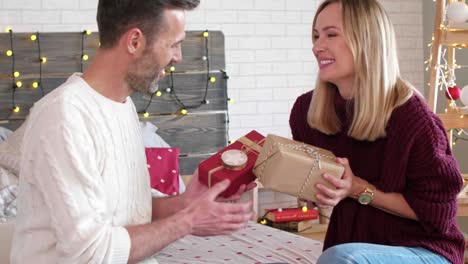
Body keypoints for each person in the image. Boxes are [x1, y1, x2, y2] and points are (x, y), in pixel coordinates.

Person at [11, 0, 255, 263]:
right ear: (135, 42)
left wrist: (184, 203)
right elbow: (90, 253)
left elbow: (124, 209)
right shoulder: (63, 118)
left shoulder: (122, 106)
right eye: (174, 44)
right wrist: (188, 221)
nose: (178, 57)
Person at [289, 0, 465, 263]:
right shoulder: (307, 111)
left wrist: (358, 189)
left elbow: (437, 213)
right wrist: (316, 192)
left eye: (331, 34)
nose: (317, 47)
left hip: (425, 249)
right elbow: (317, 194)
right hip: (354, 246)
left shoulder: (413, 118)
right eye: (316, 36)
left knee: (343, 258)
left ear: (367, 41)